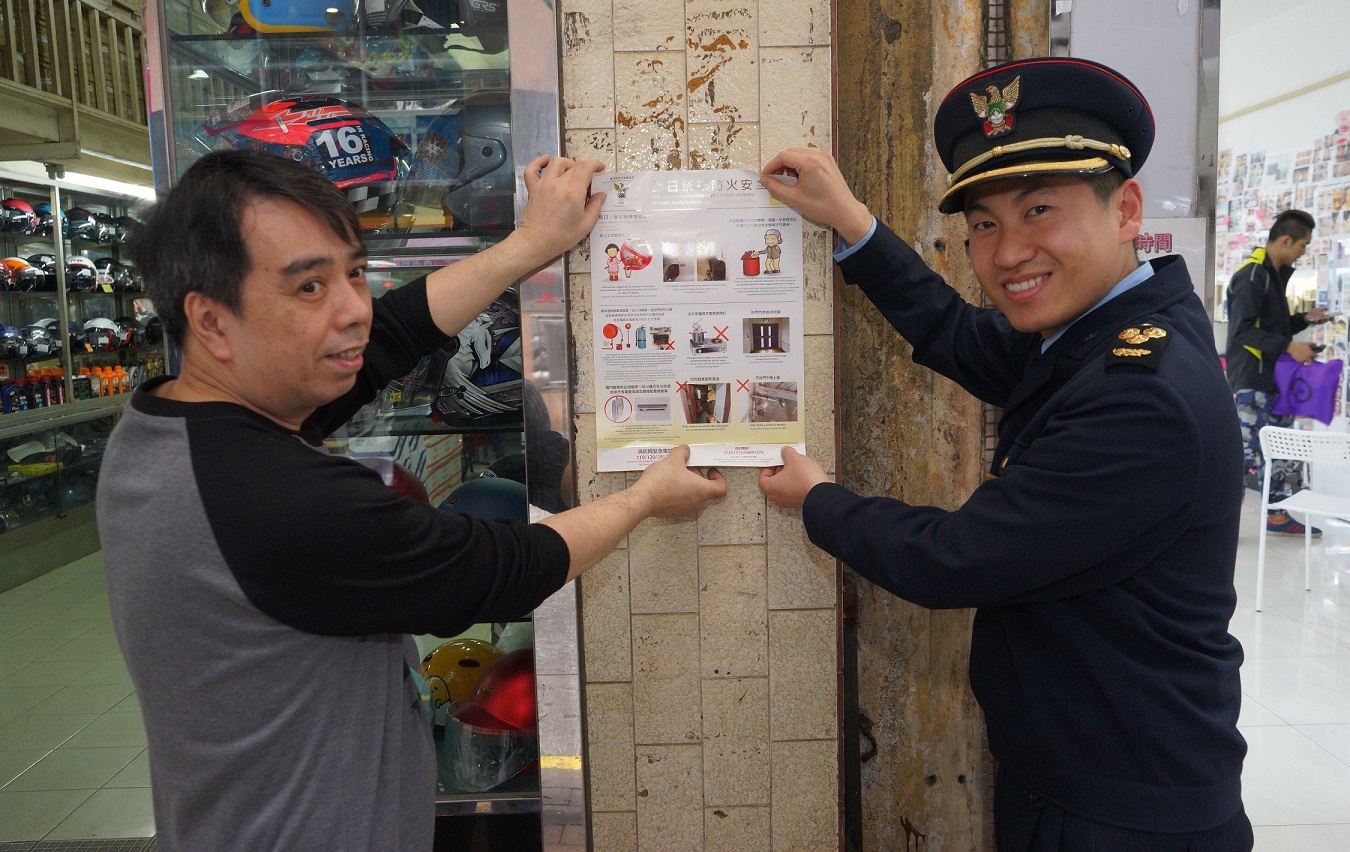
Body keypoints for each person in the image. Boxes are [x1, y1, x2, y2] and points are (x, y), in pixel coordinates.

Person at [96, 149, 726, 851]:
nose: (354, 310)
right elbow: (500, 569)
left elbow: (392, 335)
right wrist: (643, 499)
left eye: (355, 273)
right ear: (212, 322)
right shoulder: (276, 500)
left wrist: (530, 245)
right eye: (310, 286)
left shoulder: (168, 425)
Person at [758, 58, 1252, 850]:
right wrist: (853, 225)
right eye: (985, 224)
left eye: (1040, 210)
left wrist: (818, 501)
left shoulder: (1141, 395)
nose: (1010, 251)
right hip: (1090, 773)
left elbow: (956, 559)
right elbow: (960, 334)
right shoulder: (1102, 329)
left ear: (1127, 209)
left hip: (1122, 811)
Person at [1224, 208, 1328, 533]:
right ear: (1285, 240)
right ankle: (1221, 522)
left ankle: (1278, 516)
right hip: (1252, 383)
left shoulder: (1273, 276)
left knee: (1281, 453)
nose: (1303, 252)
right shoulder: (1253, 276)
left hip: (1277, 382)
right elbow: (1241, 332)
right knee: (1244, 457)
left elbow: (1273, 329)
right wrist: (1289, 347)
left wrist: (1305, 320)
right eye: (1303, 245)